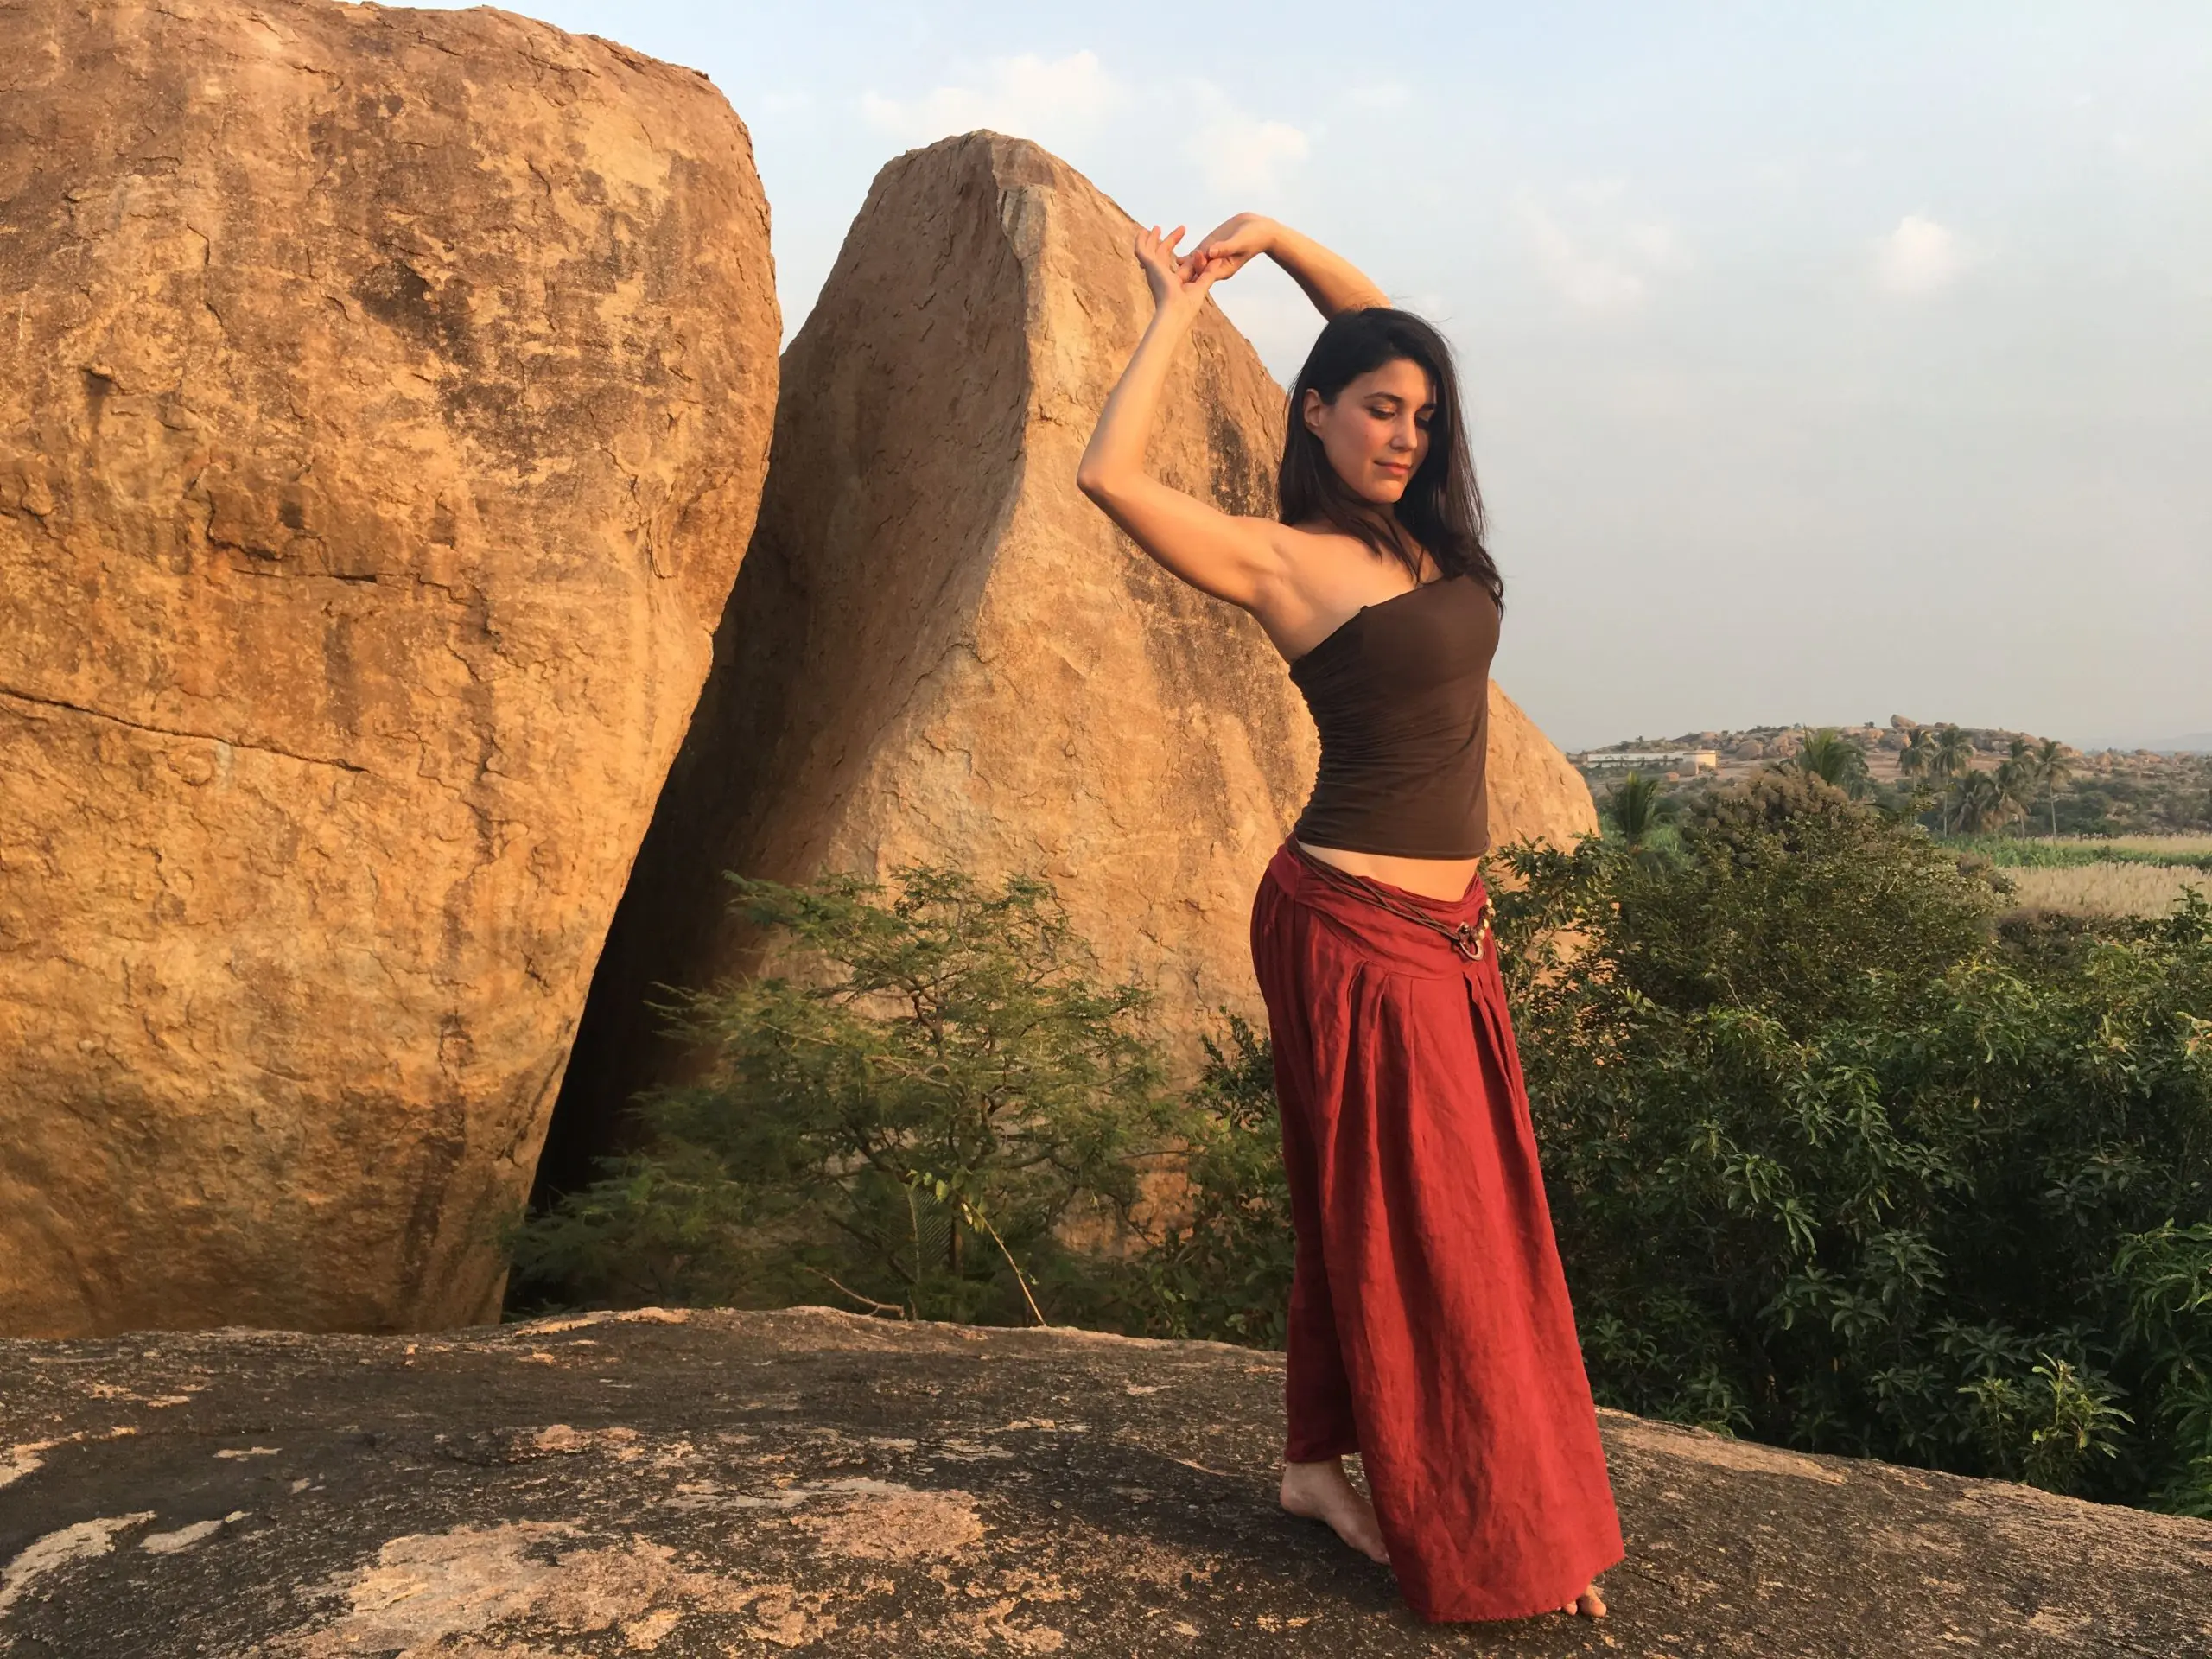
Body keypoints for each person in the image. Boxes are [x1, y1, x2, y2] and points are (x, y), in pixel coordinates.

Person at [1076, 214, 1623, 1623]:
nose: (1406, 433)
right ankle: (1499, 1534)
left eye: (1422, 418)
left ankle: (1311, 1466)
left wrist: (1275, 237)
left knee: (1386, 1207)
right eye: (1378, 411)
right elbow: (1108, 475)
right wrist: (1179, 308)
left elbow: (1383, 332)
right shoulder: (1284, 559)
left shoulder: (1422, 536)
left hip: (1451, 932)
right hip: (1355, 927)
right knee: (1440, 1229)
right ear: (1311, 412)